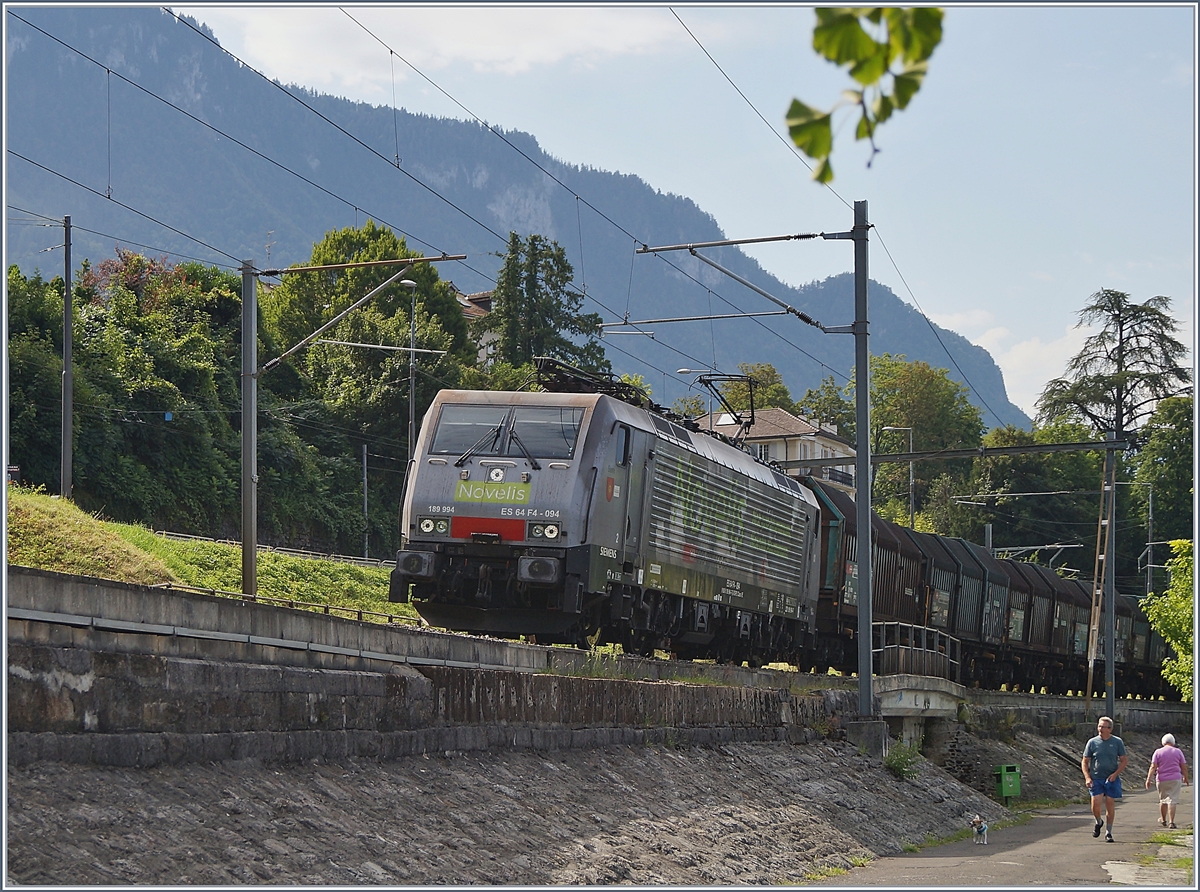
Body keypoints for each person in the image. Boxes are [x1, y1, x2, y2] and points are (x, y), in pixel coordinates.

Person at [1081, 716, 1127, 842]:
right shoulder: (1092, 742)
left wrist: (1115, 774)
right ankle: (1098, 821)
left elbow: (1123, 761)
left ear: (1110, 729)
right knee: (1095, 804)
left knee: (1110, 803)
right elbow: (1085, 761)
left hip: (1111, 778)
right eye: (1099, 726)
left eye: (1103, 727)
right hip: (1096, 778)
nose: (1100, 729)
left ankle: (1109, 832)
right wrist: (1087, 777)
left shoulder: (1117, 742)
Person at [1146, 733, 1189, 828]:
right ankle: (1171, 822)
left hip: (1161, 779)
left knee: (1163, 800)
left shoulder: (1158, 752)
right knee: (1172, 800)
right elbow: (1183, 766)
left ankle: (1163, 819)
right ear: (1173, 742)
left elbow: (1153, 766)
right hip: (1175, 778)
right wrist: (1185, 777)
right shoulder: (1178, 752)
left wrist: (1148, 779)